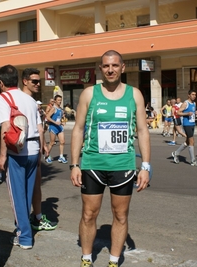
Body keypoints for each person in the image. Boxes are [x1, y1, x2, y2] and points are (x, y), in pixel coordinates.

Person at [70, 50, 151, 267]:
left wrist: (145, 166)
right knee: (89, 214)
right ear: (100, 68)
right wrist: (75, 164)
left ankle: (114, 261)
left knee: (121, 215)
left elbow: (142, 130)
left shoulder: (134, 95)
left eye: (115, 65)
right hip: (92, 163)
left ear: (122, 67)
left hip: (123, 165)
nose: (110, 70)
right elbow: (78, 129)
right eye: (106, 66)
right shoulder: (89, 94)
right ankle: (86, 259)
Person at [0, 64, 43, 249]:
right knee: (26, 193)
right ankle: (22, 228)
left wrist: (1, 156)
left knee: (17, 196)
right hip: (33, 149)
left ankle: (24, 237)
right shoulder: (30, 99)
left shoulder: (2, 98)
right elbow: (39, 128)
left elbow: (6, 128)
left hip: (17, 151)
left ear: (1, 83)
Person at [19, 68, 57, 232]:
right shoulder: (24, 101)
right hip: (26, 148)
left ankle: (32, 218)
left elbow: (39, 127)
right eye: (34, 81)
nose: (38, 84)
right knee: (29, 186)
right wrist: (43, 145)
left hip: (30, 147)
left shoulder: (31, 101)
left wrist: (44, 145)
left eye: (39, 81)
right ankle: (32, 220)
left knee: (31, 186)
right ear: (25, 81)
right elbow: (38, 128)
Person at [171, 89, 197, 166]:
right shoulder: (185, 103)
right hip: (187, 124)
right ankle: (193, 160)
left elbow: (192, 112)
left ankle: (176, 153)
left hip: (192, 124)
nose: (194, 96)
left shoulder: (194, 103)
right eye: (192, 94)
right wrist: (187, 113)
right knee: (192, 141)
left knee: (188, 141)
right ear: (189, 95)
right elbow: (178, 112)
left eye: (195, 95)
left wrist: (196, 112)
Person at [45, 94, 68, 164]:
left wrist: (62, 122)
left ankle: (61, 156)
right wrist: (55, 122)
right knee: (52, 143)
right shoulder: (53, 108)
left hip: (59, 127)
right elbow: (48, 117)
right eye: (58, 100)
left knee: (62, 141)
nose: (60, 101)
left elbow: (60, 118)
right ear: (55, 101)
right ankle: (47, 156)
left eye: (60, 100)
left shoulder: (61, 109)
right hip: (53, 127)